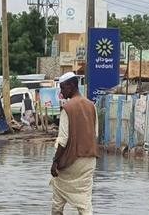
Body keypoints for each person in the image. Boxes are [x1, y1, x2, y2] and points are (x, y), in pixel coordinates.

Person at [50, 72, 99, 215]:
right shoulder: (91, 106)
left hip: (72, 162)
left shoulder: (67, 109)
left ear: (71, 86)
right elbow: (95, 134)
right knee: (84, 202)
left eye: (63, 88)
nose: (61, 92)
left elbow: (63, 140)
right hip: (89, 160)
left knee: (58, 199)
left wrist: (55, 162)